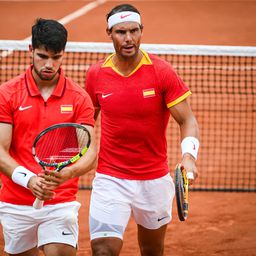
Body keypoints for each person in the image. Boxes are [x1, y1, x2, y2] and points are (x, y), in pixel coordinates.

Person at [85, 3, 200, 256]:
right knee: (103, 250)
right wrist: (77, 158)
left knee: (151, 250)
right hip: (110, 179)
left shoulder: (161, 72)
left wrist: (189, 157)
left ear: (141, 30)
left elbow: (187, 120)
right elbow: (85, 124)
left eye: (134, 31)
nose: (129, 38)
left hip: (154, 181)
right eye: (121, 32)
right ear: (109, 33)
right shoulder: (96, 75)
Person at [0, 18, 97, 256]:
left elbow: (90, 152)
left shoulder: (79, 98)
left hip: (60, 201)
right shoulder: (8, 94)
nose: (49, 64)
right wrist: (29, 180)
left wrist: (65, 174)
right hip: (15, 202)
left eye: (56, 57)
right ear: (31, 50)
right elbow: (0, 150)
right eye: (43, 56)